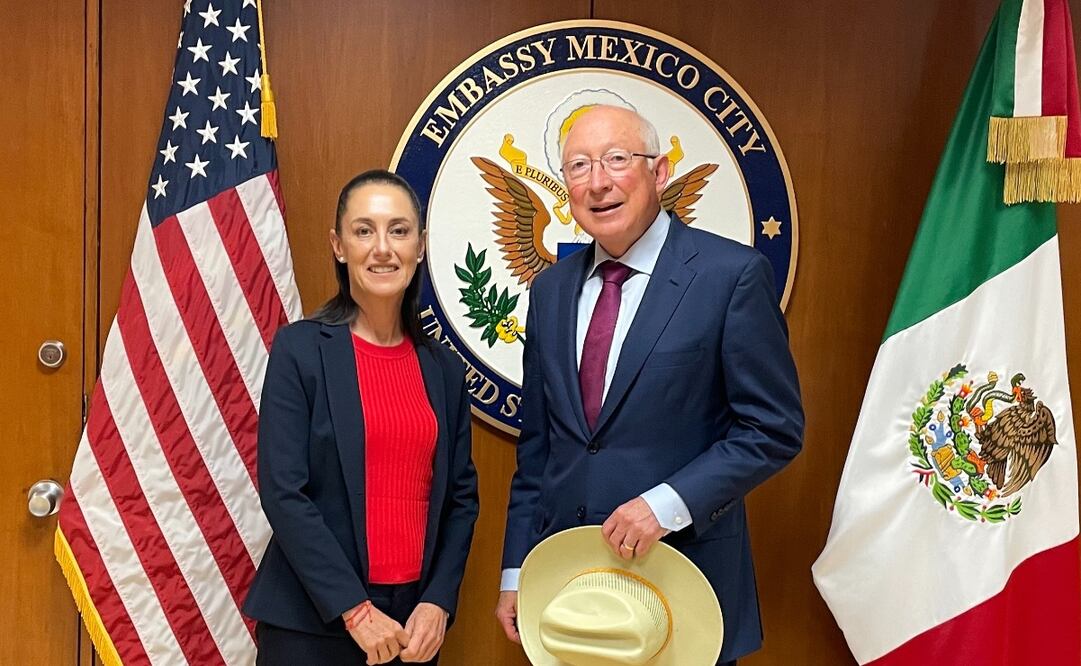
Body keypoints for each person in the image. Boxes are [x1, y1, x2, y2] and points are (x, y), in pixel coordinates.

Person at [495, 106, 803, 665]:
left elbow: (772, 429)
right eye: (579, 166)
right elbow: (539, 448)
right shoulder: (550, 291)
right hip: (569, 600)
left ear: (659, 173)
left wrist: (666, 505)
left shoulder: (730, 276)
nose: (598, 182)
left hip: (683, 592)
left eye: (616, 159)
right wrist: (517, 570)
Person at [244, 170, 479, 665]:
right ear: (338, 245)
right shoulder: (300, 350)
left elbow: (461, 499)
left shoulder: (443, 369)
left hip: (412, 630)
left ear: (420, 246)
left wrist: (438, 600)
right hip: (314, 624)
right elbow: (284, 491)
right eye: (364, 230)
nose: (382, 248)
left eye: (399, 230)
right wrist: (354, 609)